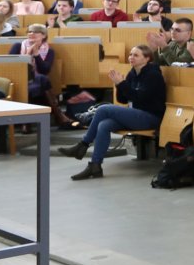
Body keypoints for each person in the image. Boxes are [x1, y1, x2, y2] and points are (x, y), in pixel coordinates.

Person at [63, 44, 165, 181]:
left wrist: (122, 84)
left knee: (104, 109)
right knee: (104, 125)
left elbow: (141, 98)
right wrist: (118, 84)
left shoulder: (153, 75)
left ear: (147, 59)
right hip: (135, 114)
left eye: (136, 55)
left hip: (151, 117)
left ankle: (83, 144)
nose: (131, 57)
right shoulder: (133, 72)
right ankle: (95, 166)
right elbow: (123, 99)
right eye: (130, 54)